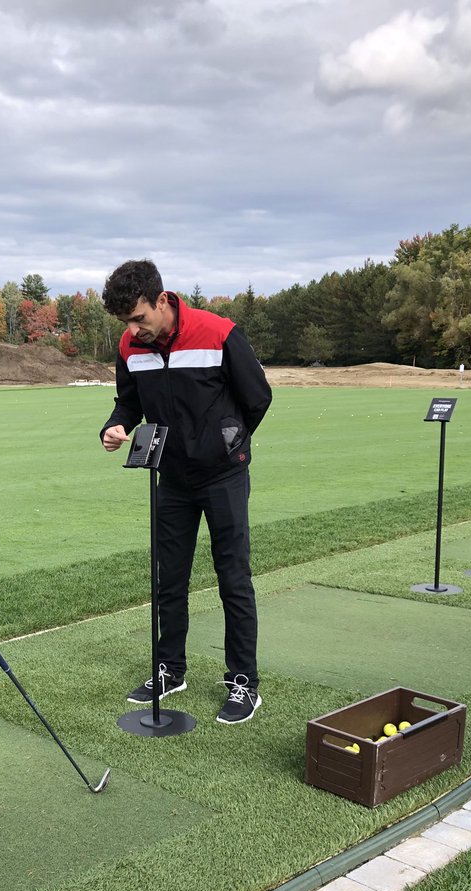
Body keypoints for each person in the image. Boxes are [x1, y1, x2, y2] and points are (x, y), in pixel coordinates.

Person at [100, 259, 272, 724]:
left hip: (223, 476)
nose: (135, 330)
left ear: (162, 300)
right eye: (126, 323)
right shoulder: (130, 345)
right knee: (168, 580)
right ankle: (169, 669)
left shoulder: (219, 333)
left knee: (233, 578)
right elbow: (128, 400)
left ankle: (243, 683)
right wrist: (116, 426)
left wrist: (227, 443)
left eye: (139, 318)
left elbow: (258, 396)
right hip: (169, 477)